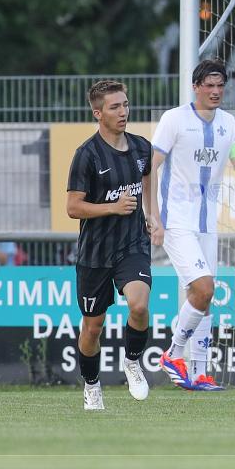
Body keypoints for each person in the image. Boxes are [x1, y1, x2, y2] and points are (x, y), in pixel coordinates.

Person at [148, 59, 235, 391]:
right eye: (208, 85)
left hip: (207, 224)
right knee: (204, 288)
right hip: (175, 221)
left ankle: (198, 373)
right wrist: (152, 217)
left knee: (203, 297)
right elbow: (148, 168)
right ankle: (173, 354)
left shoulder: (228, 124)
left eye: (220, 85)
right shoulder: (174, 120)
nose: (215, 91)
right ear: (195, 87)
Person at [67, 80, 157, 410]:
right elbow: (73, 207)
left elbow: (148, 181)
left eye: (125, 104)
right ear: (98, 113)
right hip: (95, 254)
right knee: (93, 328)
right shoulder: (86, 155)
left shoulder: (141, 147)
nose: (123, 112)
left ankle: (132, 361)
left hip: (132, 245)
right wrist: (112, 207)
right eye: (115, 107)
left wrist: (152, 215)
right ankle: (92, 385)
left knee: (138, 305)